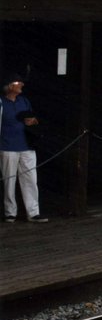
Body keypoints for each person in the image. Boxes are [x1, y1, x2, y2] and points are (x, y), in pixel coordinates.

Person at [1, 72, 46, 223]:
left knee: (30, 179)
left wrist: (32, 121)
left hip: (27, 145)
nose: (21, 84)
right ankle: (10, 212)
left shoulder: (24, 100)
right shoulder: (1, 103)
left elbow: (34, 118)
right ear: (9, 85)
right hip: (7, 145)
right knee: (9, 180)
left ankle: (33, 212)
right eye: (18, 82)